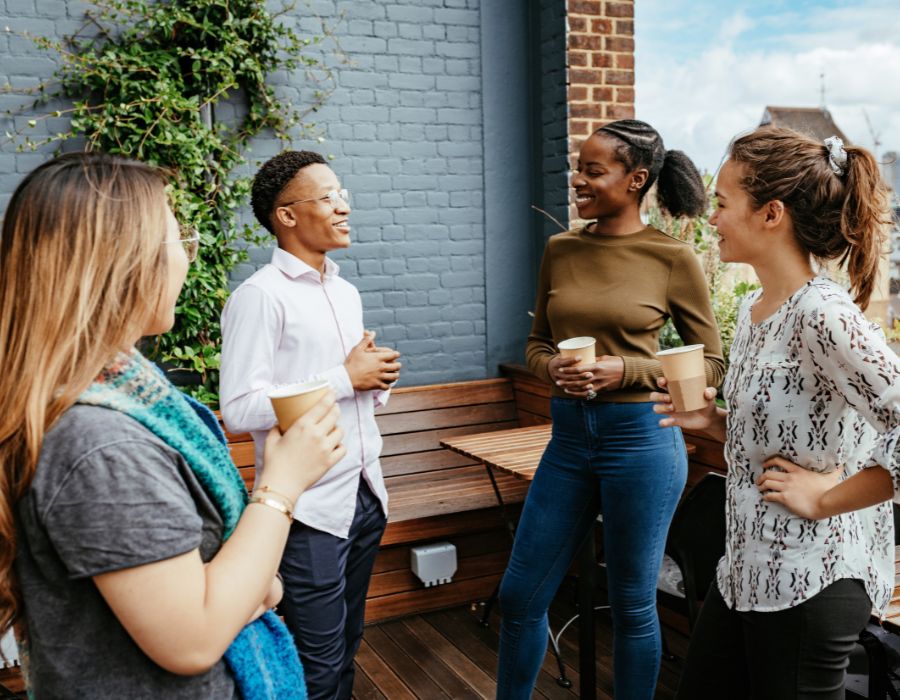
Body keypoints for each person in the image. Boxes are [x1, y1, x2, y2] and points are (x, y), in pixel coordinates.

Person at [0, 152, 346, 698]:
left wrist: (251, 582)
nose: (187, 258)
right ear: (121, 264)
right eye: (177, 240)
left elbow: (201, 575)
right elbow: (191, 639)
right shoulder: (99, 443)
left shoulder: (126, 392)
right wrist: (283, 485)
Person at [653, 126, 899, 700]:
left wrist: (826, 497)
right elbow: (779, 436)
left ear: (772, 214)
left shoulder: (824, 313)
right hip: (744, 568)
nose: (711, 218)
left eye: (721, 203)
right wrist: (713, 424)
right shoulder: (757, 310)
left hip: (812, 580)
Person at [497, 119, 726, 699]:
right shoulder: (562, 249)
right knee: (520, 597)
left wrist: (624, 370)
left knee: (631, 604)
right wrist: (554, 369)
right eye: (579, 167)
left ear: (636, 180)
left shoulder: (672, 258)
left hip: (642, 445)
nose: (578, 179)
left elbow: (714, 369)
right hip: (569, 442)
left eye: (593, 171)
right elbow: (536, 345)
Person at [219, 150, 401, 700]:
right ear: (287, 216)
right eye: (327, 197)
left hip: (367, 495)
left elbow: (345, 387)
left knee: (347, 645)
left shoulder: (344, 291)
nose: (343, 206)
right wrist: (346, 377)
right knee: (315, 664)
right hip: (310, 510)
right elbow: (240, 406)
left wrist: (375, 380)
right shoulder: (258, 298)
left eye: (341, 193)